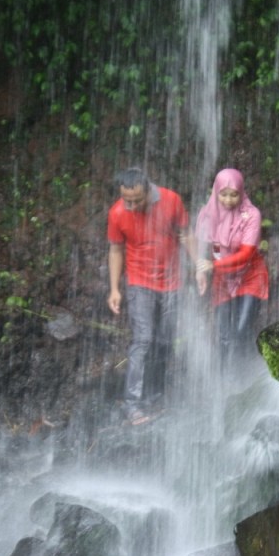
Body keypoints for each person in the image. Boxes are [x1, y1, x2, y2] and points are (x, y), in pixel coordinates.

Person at [107, 167, 197, 424]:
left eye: (136, 200)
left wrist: (199, 265)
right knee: (143, 340)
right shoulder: (116, 213)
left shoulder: (171, 200)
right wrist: (114, 288)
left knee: (166, 340)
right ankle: (132, 404)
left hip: (172, 282)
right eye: (126, 200)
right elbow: (115, 250)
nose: (131, 205)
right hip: (139, 282)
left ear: (150, 192)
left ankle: (156, 397)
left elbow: (186, 234)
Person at [194, 167, 269, 365]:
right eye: (224, 195)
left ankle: (245, 380)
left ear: (241, 192)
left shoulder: (251, 215)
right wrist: (205, 269)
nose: (228, 201)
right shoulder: (210, 214)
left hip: (250, 278)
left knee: (242, 332)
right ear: (216, 192)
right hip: (222, 279)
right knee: (224, 337)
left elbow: (246, 254)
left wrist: (215, 265)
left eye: (234, 195)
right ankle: (224, 384)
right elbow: (215, 245)